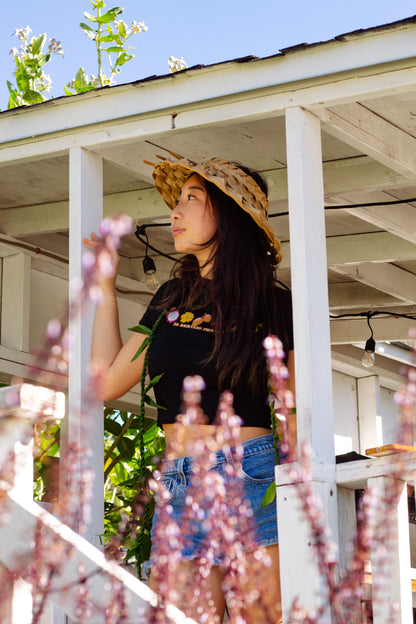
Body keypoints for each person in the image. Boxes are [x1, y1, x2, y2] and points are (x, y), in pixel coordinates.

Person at [85, 156, 295, 623]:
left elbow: (295, 404)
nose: (174, 213)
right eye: (176, 202)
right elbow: (107, 382)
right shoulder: (170, 299)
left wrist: (301, 487)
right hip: (180, 481)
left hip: (251, 475)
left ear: (230, 213)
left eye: (191, 200)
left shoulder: (273, 302)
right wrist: (105, 283)